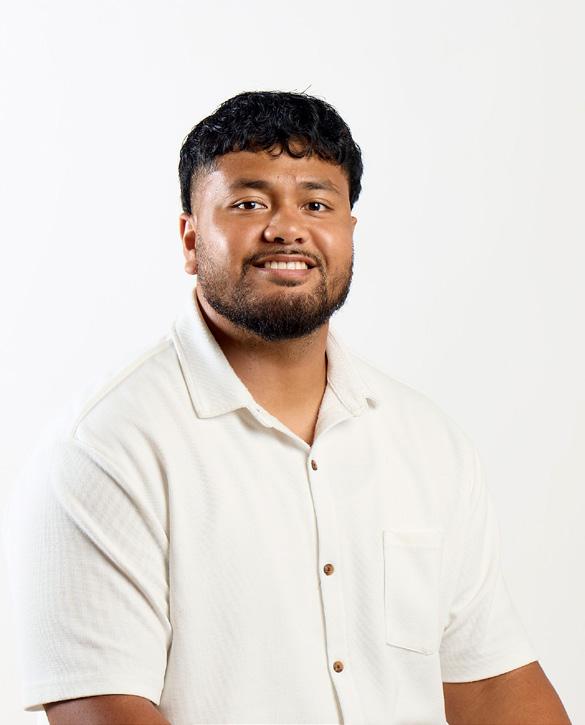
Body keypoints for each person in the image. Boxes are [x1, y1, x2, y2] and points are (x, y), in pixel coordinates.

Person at [2, 90, 570, 725]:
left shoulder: (429, 443)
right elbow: (103, 709)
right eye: (248, 203)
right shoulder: (105, 448)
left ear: (348, 233)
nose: (287, 228)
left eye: (316, 203)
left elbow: (493, 689)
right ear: (190, 239)